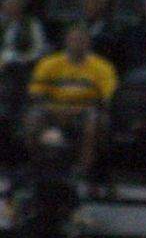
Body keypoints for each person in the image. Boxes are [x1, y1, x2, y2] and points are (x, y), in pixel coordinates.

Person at [23, 23, 115, 175]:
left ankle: (82, 169)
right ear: (66, 41)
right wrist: (56, 109)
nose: (78, 43)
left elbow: (106, 99)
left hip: (85, 111)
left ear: (88, 42)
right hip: (52, 109)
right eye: (74, 39)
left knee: (94, 121)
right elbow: (36, 95)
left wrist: (76, 110)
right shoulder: (49, 63)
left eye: (82, 39)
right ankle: (37, 164)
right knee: (33, 118)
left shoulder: (103, 67)